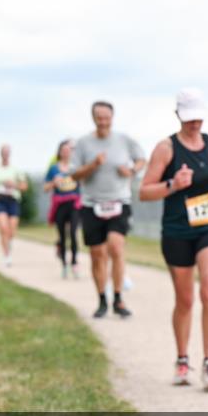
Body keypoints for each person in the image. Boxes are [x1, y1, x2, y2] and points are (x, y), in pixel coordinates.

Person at [140, 88, 208, 390]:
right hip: (177, 230)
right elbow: (145, 191)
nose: (195, 123)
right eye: (189, 118)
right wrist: (173, 184)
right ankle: (182, 359)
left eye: (198, 118)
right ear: (178, 115)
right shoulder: (166, 148)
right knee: (185, 299)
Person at [71, 101, 146, 318]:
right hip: (92, 204)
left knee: (116, 246)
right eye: (99, 118)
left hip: (119, 201)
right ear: (93, 118)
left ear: (112, 118)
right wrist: (93, 165)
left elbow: (142, 159)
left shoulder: (124, 140)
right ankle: (102, 299)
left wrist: (132, 170)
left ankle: (118, 298)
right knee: (97, 254)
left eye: (106, 118)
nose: (103, 122)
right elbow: (74, 175)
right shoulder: (83, 143)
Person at [44, 139, 82, 279]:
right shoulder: (54, 169)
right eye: (64, 150)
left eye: (69, 150)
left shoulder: (76, 167)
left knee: (73, 233)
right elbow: (45, 187)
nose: (66, 152)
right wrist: (53, 183)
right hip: (59, 205)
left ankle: (74, 262)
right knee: (62, 236)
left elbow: (85, 182)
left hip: (74, 204)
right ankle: (64, 264)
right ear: (59, 152)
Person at [0, 144, 27, 267]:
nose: (5, 154)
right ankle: (7, 255)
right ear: (0, 154)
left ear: (9, 154)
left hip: (12, 200)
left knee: (11, 230)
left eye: (7, 152)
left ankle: (8, 243)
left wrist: (13, 185)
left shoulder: (16, 170)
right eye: (3, 152)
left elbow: (24, 186)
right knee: (4, 227)